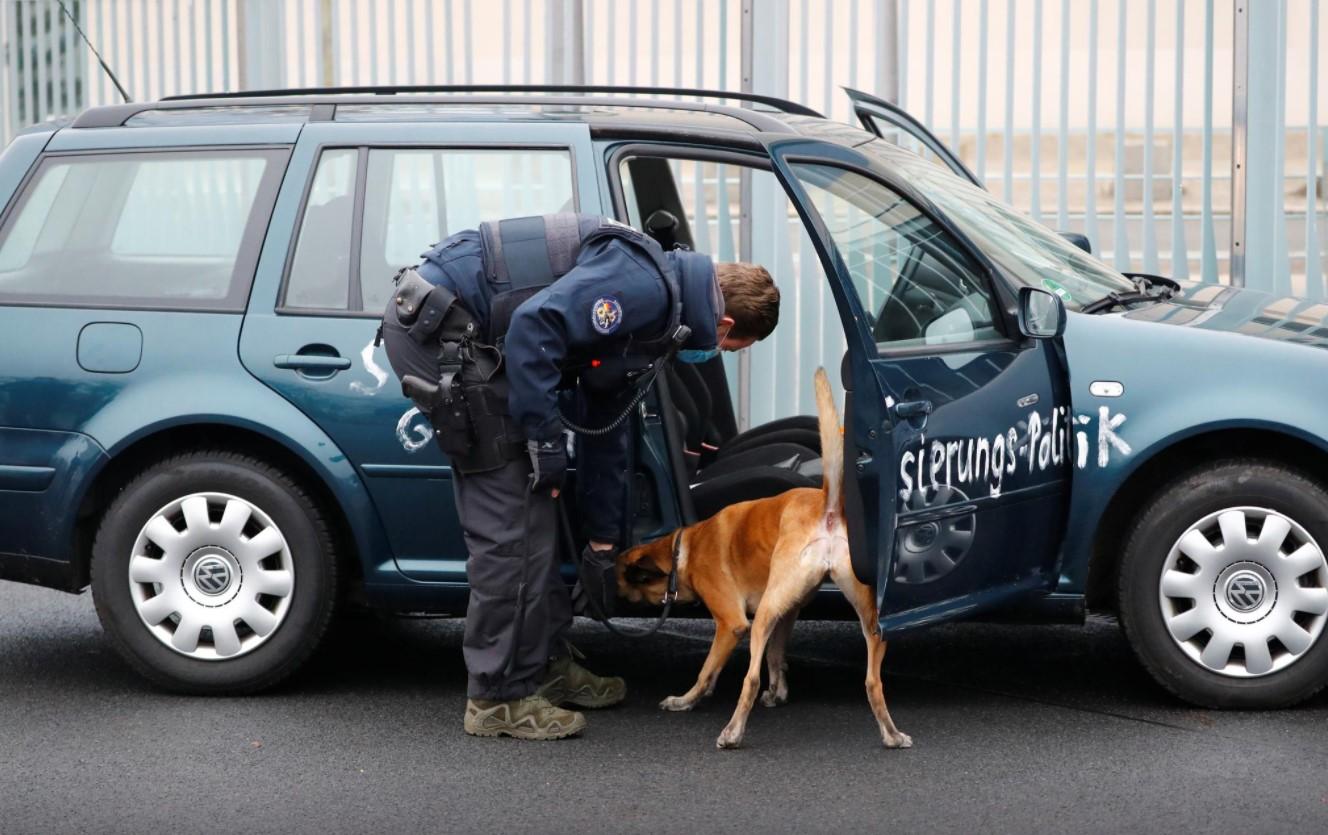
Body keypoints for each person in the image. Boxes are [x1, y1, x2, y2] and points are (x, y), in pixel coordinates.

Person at [379, 213, 779, 741]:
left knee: (540, 508)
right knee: (512, 527)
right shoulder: (642, 288)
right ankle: (499, 697)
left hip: (478, 338)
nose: (716, 355)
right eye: (732, 350)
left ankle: (541, 662)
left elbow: (604, 420)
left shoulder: (662, 307)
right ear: (725, 326)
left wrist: (602, 539)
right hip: (441, 333)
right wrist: (543, 439)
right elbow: (533, 326)